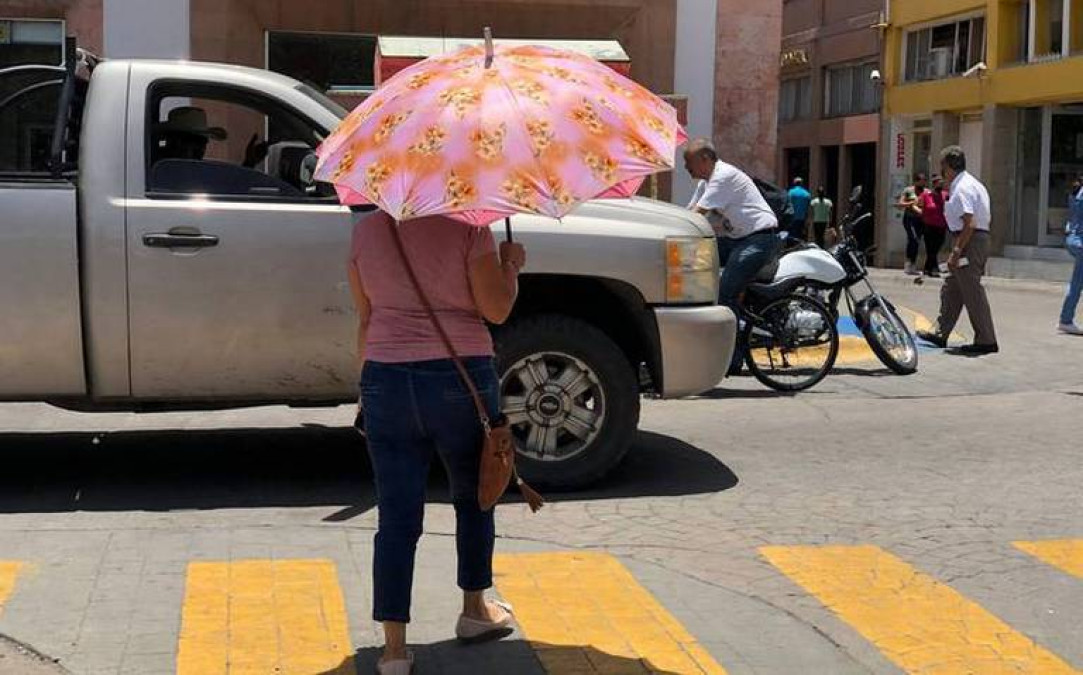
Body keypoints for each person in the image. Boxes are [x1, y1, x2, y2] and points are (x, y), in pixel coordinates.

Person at [348, 209, 526, 674]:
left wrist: (368, 385)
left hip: (384, 376)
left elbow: (366, 318)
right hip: (460, 377)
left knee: (396, 517)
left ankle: (393, 651)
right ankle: (474, 610)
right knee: (474, 498)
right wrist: (510, 268)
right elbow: (497, 309)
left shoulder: (366, 231)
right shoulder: (470, 228)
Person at [917, 146, 999, 355]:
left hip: (970, 242)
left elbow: (969, 223)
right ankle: (941, 332)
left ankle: (986, 340)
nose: (940, 172)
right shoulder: (968, 183)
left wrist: (956, 251)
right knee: (952, 287)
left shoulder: (962, 187)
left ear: (950, 167)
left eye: (942, 167)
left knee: (972, 291)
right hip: (970, 239)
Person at [683, 138, 780, 311]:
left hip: (759, 240)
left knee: (725, 293)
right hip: (738, 240)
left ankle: (735, 335)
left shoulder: (722, 176)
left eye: (688, 161)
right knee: (690, 258)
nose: (685, 167)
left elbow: (697, 215)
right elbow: (688, 212)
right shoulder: (705, 183)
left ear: (705, 158)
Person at [1057, 176, 1083, 334]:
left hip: (1074, 240)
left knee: (1077, 283)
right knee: (1076, 283)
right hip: (1080, 241)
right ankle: (1065, 319)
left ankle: (1066, 319)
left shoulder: (1076, 194)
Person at [896, 173, 927, 275]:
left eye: (924, 181)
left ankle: (913, 264)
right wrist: (911, 204)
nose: (922, 183)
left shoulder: (926, 192)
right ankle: (908, 263)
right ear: (916, 181)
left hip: (920, 219)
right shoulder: (909, 191)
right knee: (912, 238)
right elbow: (900, 204)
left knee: (917, 241)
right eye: (920, 181)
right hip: (909, 219)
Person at [919, 175, 949, 277]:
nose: (941, 185)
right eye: (938, 183)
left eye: (942, 183)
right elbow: (918, 205)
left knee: (936, 248)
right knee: (930, 248)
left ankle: (927, 268)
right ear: (934, 184)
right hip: (928, 225)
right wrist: (922, 214)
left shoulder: (946, 195)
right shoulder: (926, 195)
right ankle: (934, 269)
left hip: (941, 225)